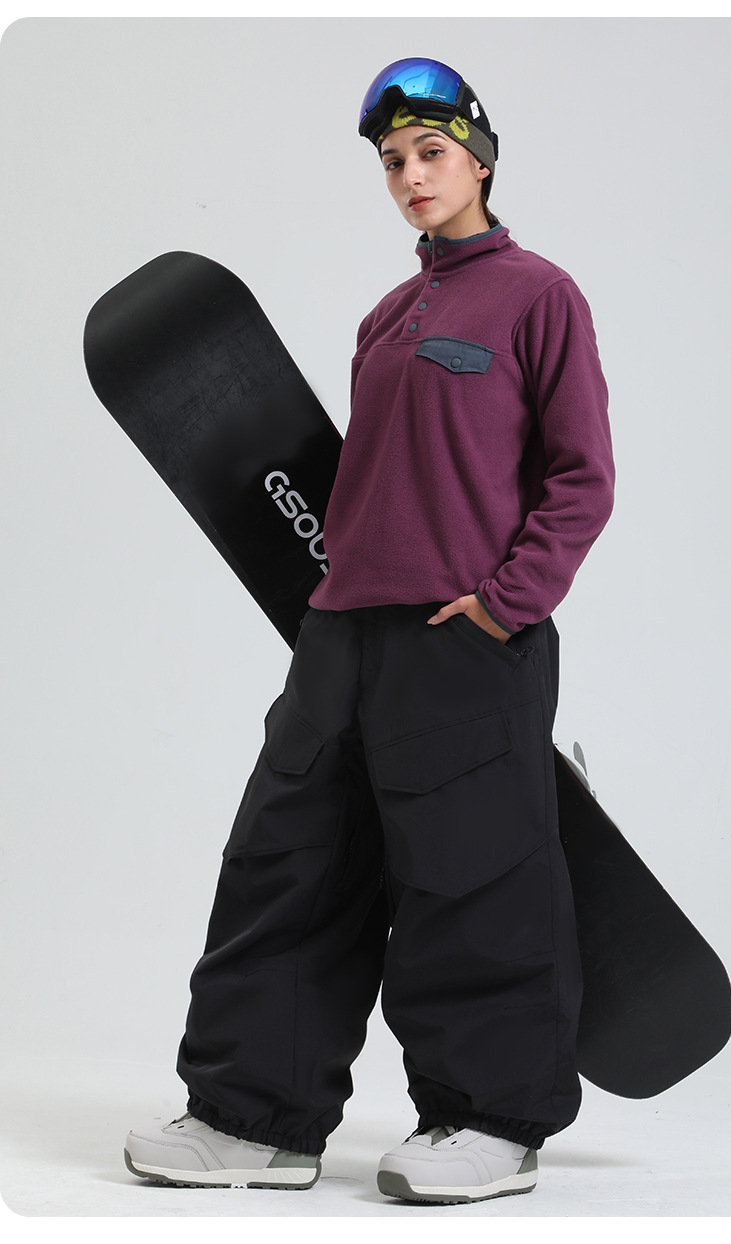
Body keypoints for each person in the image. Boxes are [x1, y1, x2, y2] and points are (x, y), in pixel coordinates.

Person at [124, 56, 615, 1205]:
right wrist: (329, 604)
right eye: (392, 161)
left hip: (463, 636)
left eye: (430, 153)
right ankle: (254, 1117)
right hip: (340, 629)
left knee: (470, 876)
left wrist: (504, 602)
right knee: (286, 864)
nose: (409, 177)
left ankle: (487, 1120)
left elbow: (580, 477)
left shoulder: (538, 295)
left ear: (479, 159)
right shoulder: (386, 318)